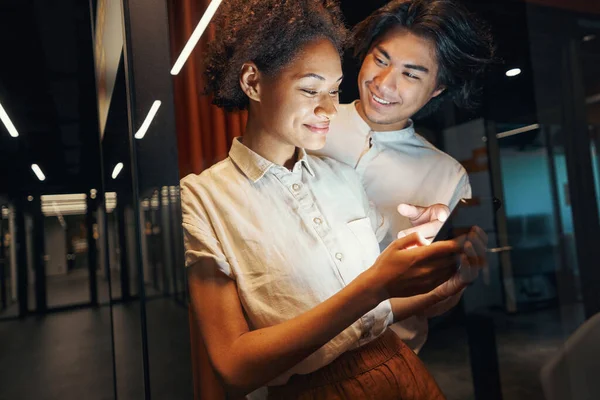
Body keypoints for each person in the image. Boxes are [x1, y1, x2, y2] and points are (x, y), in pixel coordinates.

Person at [181, 0, 487, 398]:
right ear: (253, 83)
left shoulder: (344, 177)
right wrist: (375, 285)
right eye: (312, 89)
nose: (328, 107)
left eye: (333, 90)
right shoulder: (205, 197)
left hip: (400, 365)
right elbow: (234, 366)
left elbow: (384, 306)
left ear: (436, 89)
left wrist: (447, 282)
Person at [312, 0, 495, 353]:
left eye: (411, 74)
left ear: (437, 89)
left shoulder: (447, 175)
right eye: (380, 60)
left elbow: (437, 302)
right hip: (291, 356)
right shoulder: (310, 124)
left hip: (386, 357)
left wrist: (458, 279)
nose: (384, 84)